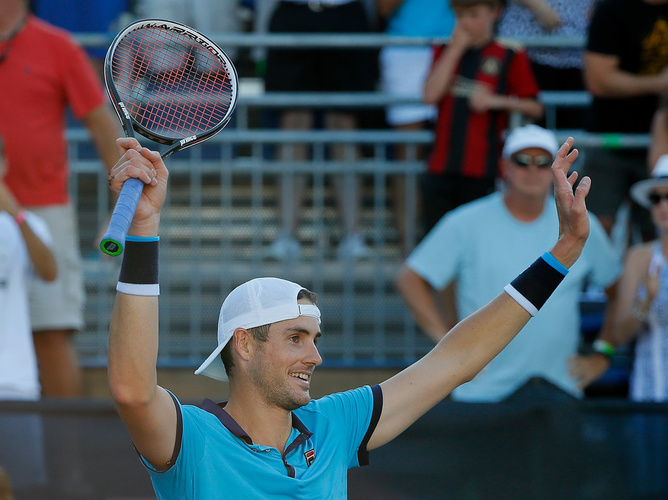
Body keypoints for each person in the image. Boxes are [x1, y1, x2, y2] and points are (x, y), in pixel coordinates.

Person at [106, 129, 589, 497]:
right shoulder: (194, 437)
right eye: (295, 337)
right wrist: (144, 228)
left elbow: (456, 361)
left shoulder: (330, 425)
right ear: (244, 344)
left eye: (315, 338)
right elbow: (131, 390)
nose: (315, 356)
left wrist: (565, 251)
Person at [396, 125, 621, 402]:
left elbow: (619, 288)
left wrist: (603, 354)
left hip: (559, 390)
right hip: (482, 394)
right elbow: (410, 279)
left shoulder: (581, 224)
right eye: (522, 161)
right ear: (505, 167)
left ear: (555, 169)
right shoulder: (465, 221)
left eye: (543, 163)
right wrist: (447, 347)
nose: (532, 170)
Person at [0, 0, 121, 397]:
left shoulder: (57, 46)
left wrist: (122, 208)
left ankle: (66, 458)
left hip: (42, 207)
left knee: (51, 333)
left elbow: (104, 129)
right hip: (31, 206)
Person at [264, 0, 378, 261]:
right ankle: (287, 235)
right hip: (293, 10)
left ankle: (353, 235)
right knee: (293, 122)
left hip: (346, 12)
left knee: (344, 122)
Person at [421, 0, 543, 234]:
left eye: (474, 14)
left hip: (484, 171)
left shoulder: (509, 53)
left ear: (494, 13)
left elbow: (535, 107)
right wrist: (455, 50)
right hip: (440, 167)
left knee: (476, 242)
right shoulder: (444, 48)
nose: (466, 23)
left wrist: (497, 101)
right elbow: (429, 96)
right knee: (436, 243)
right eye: (461, 15)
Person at [581, 0, 668, 243]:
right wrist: (660, 84)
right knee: (595, 231)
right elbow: (598, 80)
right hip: (610, 139)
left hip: (662, 139)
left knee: (659, 236)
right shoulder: (613, 8)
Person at [376, 0, 455, 252]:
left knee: (458, 148)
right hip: (406, 48)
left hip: (456, 44)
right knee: (408, 154)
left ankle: (449, 250)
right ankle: (409, 249)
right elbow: (384, 7)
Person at [0, 139, 55, 492]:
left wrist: (15, 214)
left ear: (4, 163)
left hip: (16, 384)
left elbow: (49, 271)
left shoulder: (28, 223)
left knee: (24, 487)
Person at [614, 155, 668, 401]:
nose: (663, 206)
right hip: (649, 394)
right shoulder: (638, 257)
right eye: (657, 198)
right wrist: (645, 302)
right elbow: (619, 335)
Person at [497, 0, 595, 129]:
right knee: (530, 131)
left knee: (574, 131)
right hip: (526, 51)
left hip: (578, 54)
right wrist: (539, 7)